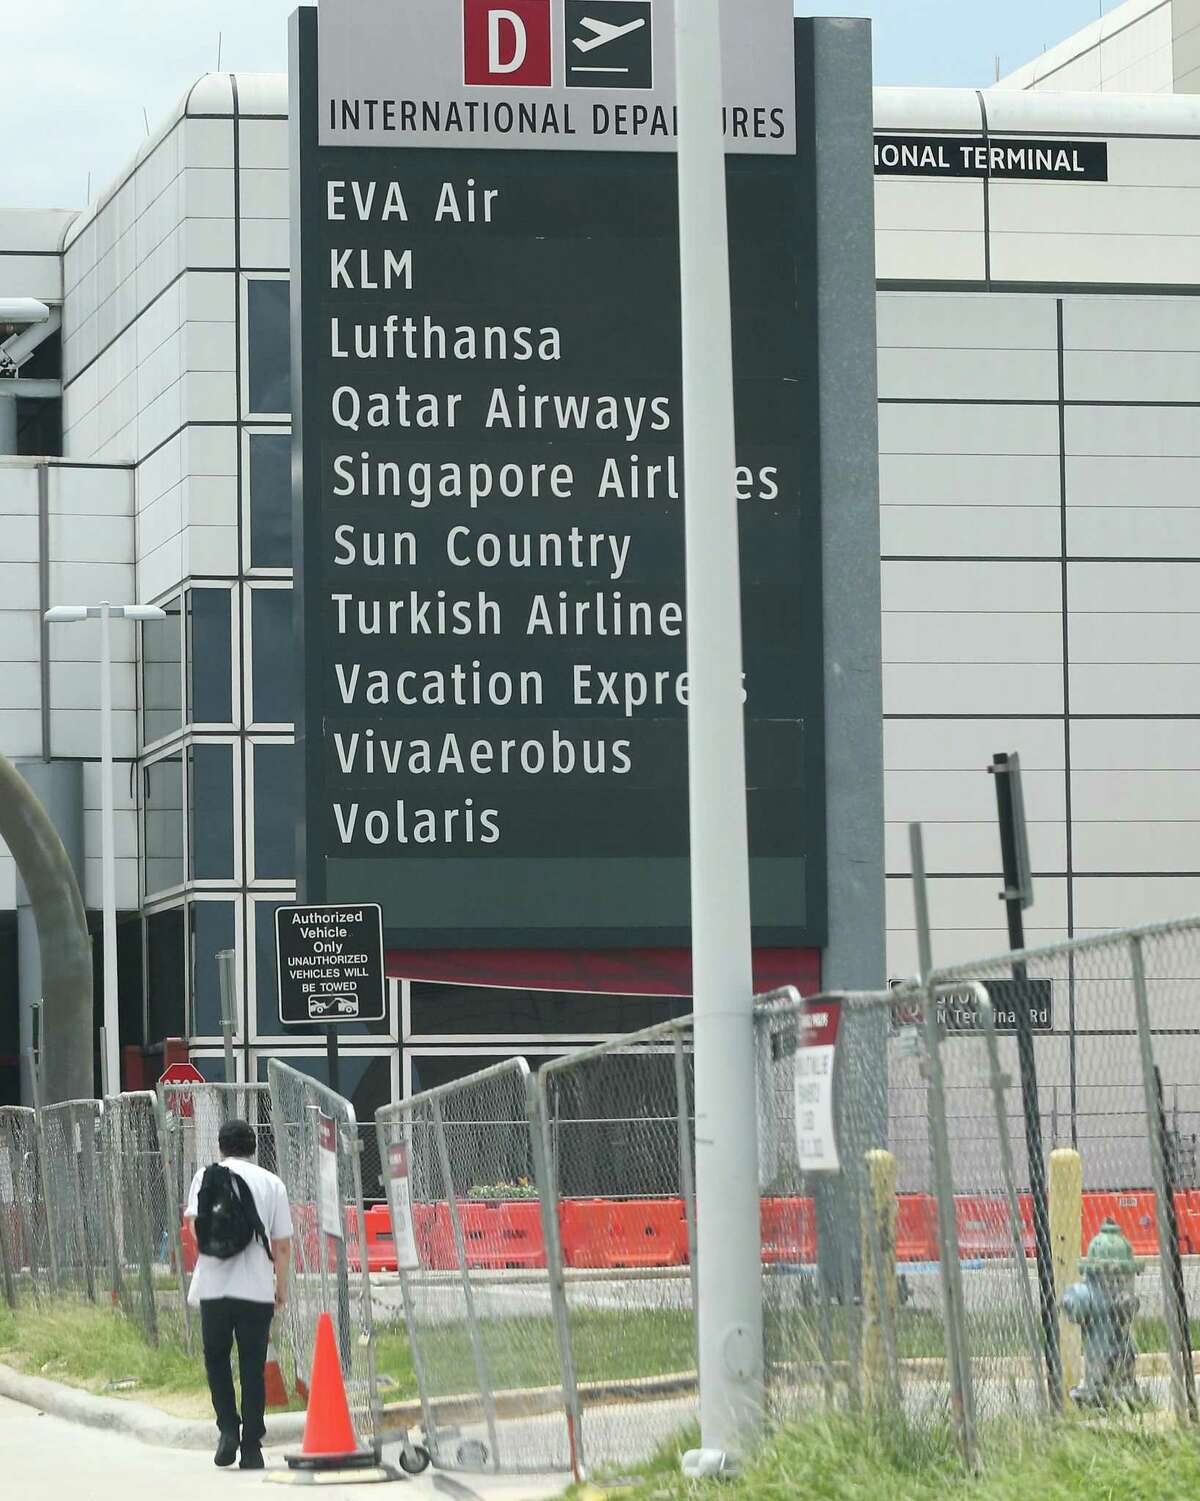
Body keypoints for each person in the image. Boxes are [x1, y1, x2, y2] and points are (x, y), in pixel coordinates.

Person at [185, 1117, 293, 1471]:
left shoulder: (206, 1177)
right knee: (252, 1365)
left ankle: (227, 1429)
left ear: (221, 1146)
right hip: (256, 1288)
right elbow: (281, 1245)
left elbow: (194, 1228)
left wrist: (218, 1253)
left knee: (216, 1359)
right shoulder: (271, 1183)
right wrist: (280, 1289)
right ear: (253, 1147)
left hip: (214, 1287)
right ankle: (251, 1447)